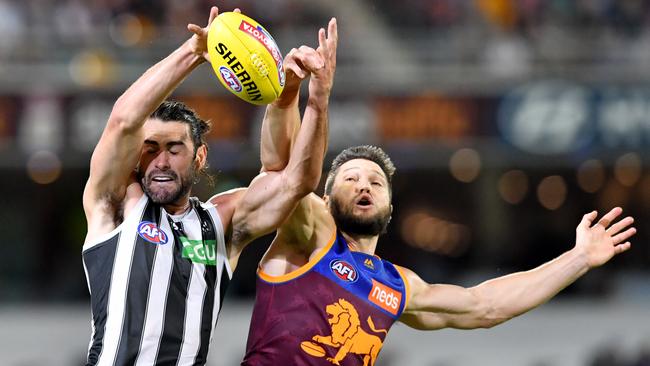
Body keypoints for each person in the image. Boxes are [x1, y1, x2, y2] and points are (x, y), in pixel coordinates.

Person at [242, 41, 636, 366]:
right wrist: (292, 96)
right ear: (325, 201)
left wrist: (579, 257)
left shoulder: (397, 285)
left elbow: (483, 306)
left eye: (376, 182)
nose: (365, 185)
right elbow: (281, 174)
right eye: (351, 178)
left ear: (390, 208)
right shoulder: (309, 235)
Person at [81, 6, 335, 366]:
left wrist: (298, 96)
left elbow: (295, 181)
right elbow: (123, 120)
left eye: (174, 149)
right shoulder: (118, 204)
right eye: (150, 149)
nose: (161, 162)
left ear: (200, 158)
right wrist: (196, 52)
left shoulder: (222, 221)